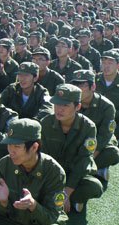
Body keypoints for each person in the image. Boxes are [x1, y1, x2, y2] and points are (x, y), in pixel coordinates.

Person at [41, 84, 103, 213]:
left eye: (65, 105)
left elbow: (83, 161)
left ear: (77, 107)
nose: (59, 109)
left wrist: (66, 192)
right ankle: (62, 200)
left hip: (74, 174)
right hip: (51, 173)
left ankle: (69, 199)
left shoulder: (88, 127)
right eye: (57, 104)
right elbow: (42, 157)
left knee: (94, 186)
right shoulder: (46, 123)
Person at [70, 70, 119, 183]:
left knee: (113, 153)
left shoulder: (107, 106)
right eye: (75, 85)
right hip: (77, 140)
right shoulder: (69, 103)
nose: (78, 89)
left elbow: (104, 136)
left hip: (98, 142)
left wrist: (89, 159)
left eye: (82, 85)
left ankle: (94, 168)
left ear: (93, 87)